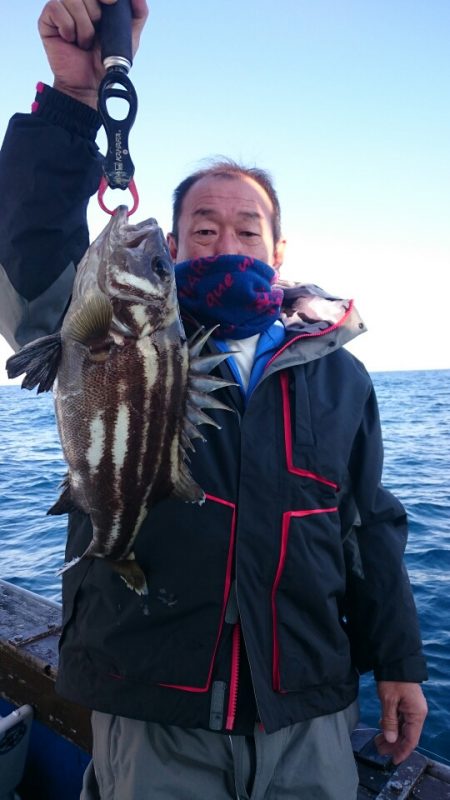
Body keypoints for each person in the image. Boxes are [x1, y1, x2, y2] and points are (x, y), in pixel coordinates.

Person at [0, 1, 428, 798]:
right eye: (200, 230)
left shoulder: (338, 375)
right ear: (170, 242)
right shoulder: (116, 333)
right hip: (154, 708)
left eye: (246, 230)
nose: (225, 245)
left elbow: (370, 526)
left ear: (279, 249)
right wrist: (72, 104)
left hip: (307, 713)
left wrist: (400, 663)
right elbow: (29, 252)